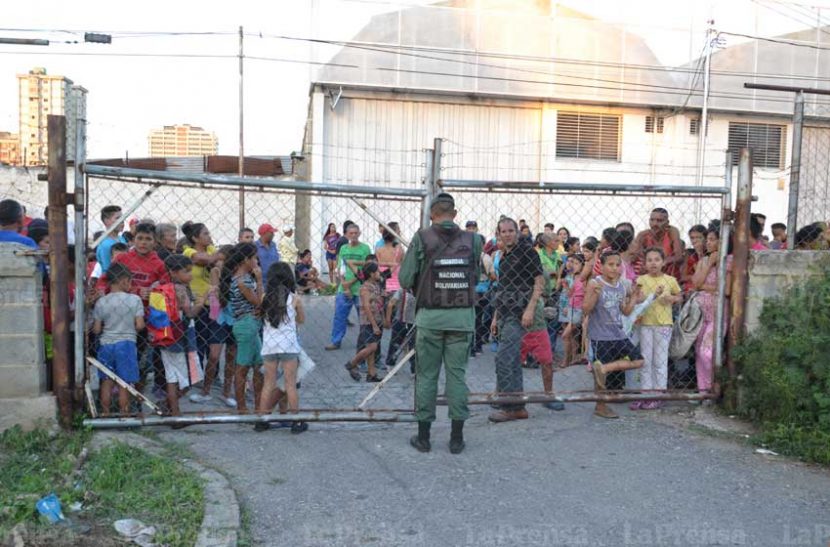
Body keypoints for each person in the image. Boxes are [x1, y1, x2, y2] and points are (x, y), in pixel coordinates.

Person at [399, 193, 478, 454]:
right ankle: (456, 438)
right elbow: (475, 275)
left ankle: (424, 437)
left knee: (426, 376)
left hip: (430, 318)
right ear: (454, 214)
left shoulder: (422, 238)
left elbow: (404, 277)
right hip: (462, 317)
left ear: (432, 214)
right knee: (457, 376)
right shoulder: (473, 240)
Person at [488, 217, 546, 423]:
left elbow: (539, 281)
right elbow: (502, 289)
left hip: (518, 314)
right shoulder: (504, 256)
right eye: (503, 231)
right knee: (511, 360)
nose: (507, 234)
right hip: (504, 313)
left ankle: (510, 407)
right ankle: (517, 405)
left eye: (511, 230)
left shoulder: (527, 252)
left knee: (504, 359)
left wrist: (530, 309)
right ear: (498, 234)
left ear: (517, 232)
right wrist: (495, 317)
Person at [582, 251, 645, 419]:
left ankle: (605, 367)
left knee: (638, 360)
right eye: (610, 264)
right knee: (600, 378)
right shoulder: (595, 282)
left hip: (618, 334)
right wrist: (594, 294)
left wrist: (634, 297)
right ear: (601, 266)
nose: (615, 268)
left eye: (618, 265)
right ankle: (600, 406)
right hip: (600, 336)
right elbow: (586, 310)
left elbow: (625, 312)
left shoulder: (622, 285)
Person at [258, 262, 307, 434]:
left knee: (268, 384)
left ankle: (262, 420)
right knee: (290, 384)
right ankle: (295, 421)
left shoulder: (264, 297)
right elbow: (301, 320)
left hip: (269, 346)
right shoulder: (294, 299)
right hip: (288, 346)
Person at [632, 248, 682, 410]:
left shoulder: (670, 280)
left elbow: (680, 296)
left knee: (660, 361)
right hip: (645, 323)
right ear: (645, 263)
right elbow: (636, 298)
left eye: (657, 259)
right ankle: (646, 394)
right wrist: (639, 298)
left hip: (663, 325)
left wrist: (672, 298)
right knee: (646, 360)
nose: (653, 263)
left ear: (663, 262)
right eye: (649, 260)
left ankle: (658, 394)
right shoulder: (641, 280)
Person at [159, 254, 208, 418]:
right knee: (186, 378)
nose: (190, 275)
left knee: (172, 377)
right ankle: (173, 411)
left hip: (166, 335)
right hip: (180, 336)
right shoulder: (180, 290)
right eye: (186, 271)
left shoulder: (163, 286)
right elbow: (191, 312)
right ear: (173, 272)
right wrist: (203, 300)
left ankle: (171, 409)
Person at [92, 263, 145, 415]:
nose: (131, 285)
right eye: (130, 281)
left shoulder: (102, 301)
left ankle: (105, 412)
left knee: (106, 382)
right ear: (123, 281)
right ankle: (125, 412)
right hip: (127, 344)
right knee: (124, 382)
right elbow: (140, 325)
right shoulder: (135, 300)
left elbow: (96, 329)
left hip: (106, 345)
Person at [181, 223, 223, 403]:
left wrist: (214, 258)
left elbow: (219, 263)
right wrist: (213, 258)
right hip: (196, 303)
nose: (208, 236)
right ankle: (194, 379)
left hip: (213, 303)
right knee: (196, 343)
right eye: (205, 234)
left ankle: (212, 377)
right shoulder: (187, 251)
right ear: (195, 238)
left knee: (214, 341)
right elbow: (203, 259)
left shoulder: (212, 249)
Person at [220, 243, 264, 413]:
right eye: (253, 258)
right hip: (246, 325)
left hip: (250, 323)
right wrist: (260, 280)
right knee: (243, 367)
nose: (256, 261)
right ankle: (242, 407)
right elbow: (259, 302)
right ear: (245, 260)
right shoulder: (242, 281)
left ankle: (259, 406)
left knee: (259, 366)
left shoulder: (245, 278)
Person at [692, 228, 732, 394]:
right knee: (698, 354)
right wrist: (709, 264)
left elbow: (727, 290)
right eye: (707, 239)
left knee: (707, 353)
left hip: (718, 315)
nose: (707, 242)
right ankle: (704, 392)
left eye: (712, 239)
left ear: (722, 242)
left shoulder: (728, 261)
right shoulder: (704, 261)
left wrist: (705, 287)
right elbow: (696, 283)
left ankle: (714, 388)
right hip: (701, 315)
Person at [325, 223, 371, 350]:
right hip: (344, 290)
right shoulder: (344, 248)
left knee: (364, 318)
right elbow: (341, 268)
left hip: (360, 289)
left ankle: (366, 342)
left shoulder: (365, 249)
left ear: (360, 233)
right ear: (347, 234)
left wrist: (351, 283)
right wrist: (345, 287)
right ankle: (336, 341)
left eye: (356, 233)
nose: (354, 235)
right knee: (339, 316)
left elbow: (367, 268)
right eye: (351, 233)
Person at [343, 262, 385, 382]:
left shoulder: (376, 285)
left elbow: (378, 301)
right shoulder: (365, 288)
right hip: (368, 322)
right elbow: (366, 307)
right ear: (371, 274)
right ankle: (352, 363)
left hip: (377, 319)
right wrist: (374, 325)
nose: (379, 273)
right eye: (377, 271)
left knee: (372, 349)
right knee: (372, 347)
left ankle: (371, 374)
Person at [631, 208, 684, 277]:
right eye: (652, 220)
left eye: (659, 221)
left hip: (669, 275)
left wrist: (657, 263)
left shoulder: (672, 232)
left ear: (667, 223)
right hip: (648, 275)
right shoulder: (643, 235)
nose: (655, 224)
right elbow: (634, 257)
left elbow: (678, 256)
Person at [561, 254, 586, 368]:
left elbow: (585, 294)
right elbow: (571, 293)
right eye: (573, 263)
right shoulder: (575, 277)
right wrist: (566, 286)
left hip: (579, 309)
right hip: (571, 307)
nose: (573, 265)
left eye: (576, 263)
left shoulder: (585, 278)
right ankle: (573, 358)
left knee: (565, 335)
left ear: (583, 265)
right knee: (571, 335)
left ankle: (567, 360)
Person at [385, 286, 417, 372]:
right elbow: (391, 303)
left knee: (414, 347)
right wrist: (388, 319)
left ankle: (414, 369)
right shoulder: (402, 290)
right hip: (400, 321)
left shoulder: (421, 290)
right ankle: (390, 364)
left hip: (414, 323)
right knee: (395, 344)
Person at [95, 205, 125, 272]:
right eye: (117, 218)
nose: (122, 221)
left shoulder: (122, 238)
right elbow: (107, 270)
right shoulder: (105, 245)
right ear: (107, 221)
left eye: (122, 218)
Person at [376, 223, 404, 296]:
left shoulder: (379, 250)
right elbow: (399, 263)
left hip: (383, 285)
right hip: (396, 286)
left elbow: (379, 266)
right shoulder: (398, 250)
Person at [682, 225, 707, 293]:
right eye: (692, 238)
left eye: (699, 237)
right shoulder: (689, 253)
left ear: (706, 238)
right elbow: (683, 276)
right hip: (692, 284)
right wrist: (694, 277)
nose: (695, 241)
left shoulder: (710, 253)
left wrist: (700, 253)